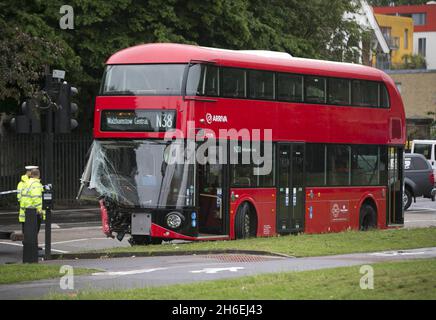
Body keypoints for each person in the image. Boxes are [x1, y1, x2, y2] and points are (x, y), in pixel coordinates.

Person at [20, 168, 45, 240]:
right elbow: (36, 198)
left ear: (31, 175)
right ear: (38, 175)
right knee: (34, 230)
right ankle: (33, 247)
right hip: (34, 211)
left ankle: (28, 245)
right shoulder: (36, 184)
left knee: (28, 230)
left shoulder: (26, 183)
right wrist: (40, 210)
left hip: (26, 210)